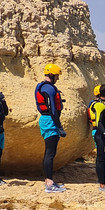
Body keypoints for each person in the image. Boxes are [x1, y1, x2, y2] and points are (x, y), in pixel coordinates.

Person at [35, 63, 66, 193]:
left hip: (46, 120)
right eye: (57, 76)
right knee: (50, 153)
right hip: (50, 121)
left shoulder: (42, 86)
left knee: (49, 152)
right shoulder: (49, 88)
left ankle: (49, 181)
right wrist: (59, 126)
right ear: (52, 75)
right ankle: (49, 183)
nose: (58, 78)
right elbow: (52, 109)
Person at [87, 84, 105, 191]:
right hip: (101, 134)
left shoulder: (104, 104)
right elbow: (99, 122)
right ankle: (102, 185)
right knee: (101, 159)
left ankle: (104, 182)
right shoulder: (99, 105)